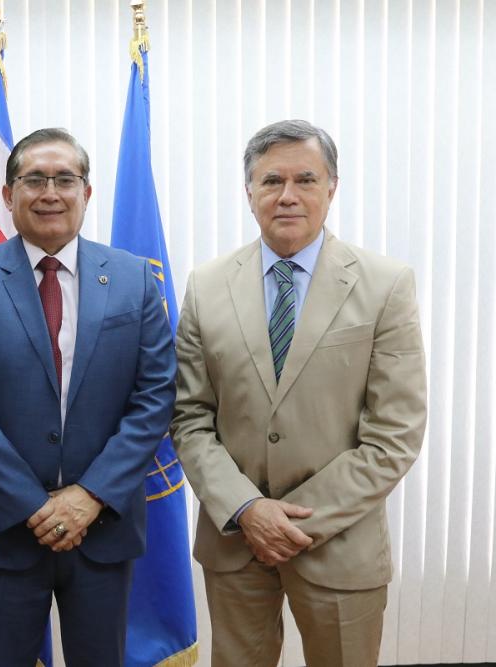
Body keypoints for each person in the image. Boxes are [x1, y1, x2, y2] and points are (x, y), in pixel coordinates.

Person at [171, 119, 427, 667]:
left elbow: (395, 435)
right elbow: (189, 419)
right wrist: (247, 509)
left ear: (331, 188)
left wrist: (289, 523)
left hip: (341, 546)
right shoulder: (206, 285)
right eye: (271, 181)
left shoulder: (386, 285)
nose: (287, 196)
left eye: (305, 180)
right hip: (236, 543)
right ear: (249, 192)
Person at [0, 128, 176, 667]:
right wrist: (32, 505)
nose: (50, 192)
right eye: (33, 179)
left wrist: (90, 495)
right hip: (1, 529)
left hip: (103, 528)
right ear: (7, 194)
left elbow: (155, 397)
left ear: (87, 193)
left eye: (65, 179)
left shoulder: (134, 279)